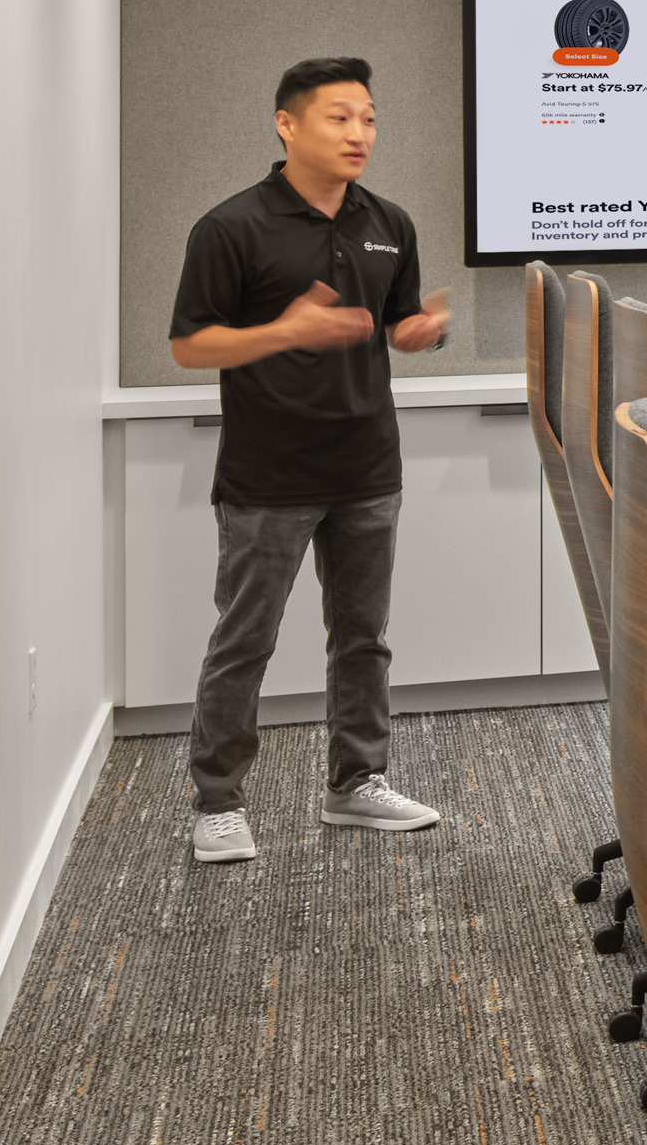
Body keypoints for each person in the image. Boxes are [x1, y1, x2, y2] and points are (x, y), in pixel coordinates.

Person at [164, 56, 459, 859]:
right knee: (245, 639)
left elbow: (394, 321)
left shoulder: (390, 223)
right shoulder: (231, 228)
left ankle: (356, 784)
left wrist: (415, 333)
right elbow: (191, 345)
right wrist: (284, 332)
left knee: (363, 637)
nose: (359, 132)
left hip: (368, 468)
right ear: (286, 124)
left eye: (367, 116)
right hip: (268, 478)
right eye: (339, 116)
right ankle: (217, 800)